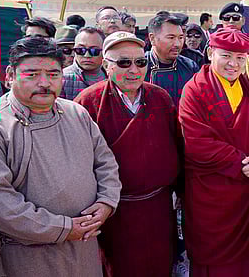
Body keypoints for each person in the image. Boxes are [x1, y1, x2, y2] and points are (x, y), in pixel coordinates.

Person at [0, 37, 121, 277]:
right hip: (27, 255)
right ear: (10, 75)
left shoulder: (76, 112)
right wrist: (62, 228)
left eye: (53, 74)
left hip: (84, 246)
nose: (44, 83)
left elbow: (105, 163)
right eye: (32, 74)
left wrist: (106, 203)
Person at [179, 26, 249, 277]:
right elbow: (196, 143)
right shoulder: (194, 90)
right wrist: (243, 164)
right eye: (226, 55)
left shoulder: (248, 88)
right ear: (210, 53)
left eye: (240, 58)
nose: (233, 64)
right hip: (213, 193)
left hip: (247, 193)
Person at [75, 31, 182, 276]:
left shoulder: (160, 97)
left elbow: (177, 146)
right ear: (106, 66)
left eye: (140, 62)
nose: (134, 70)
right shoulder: (88, 102)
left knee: (160, 264)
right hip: (116, 211)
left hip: (158, 206)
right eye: (124, 63)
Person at [145, 11, 199, 107]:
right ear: (152, 38)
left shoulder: (190, 67)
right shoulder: (140, 65)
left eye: (181, 37)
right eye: (171, 37)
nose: (177, 44)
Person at [60, 27, 107, 100]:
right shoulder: (62, 78)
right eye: (80, 50)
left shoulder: (112, 77)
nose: (87, 55)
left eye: (94, 51)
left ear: (104, 52)